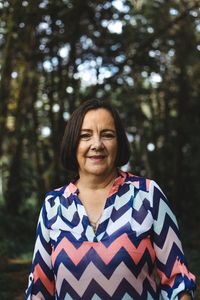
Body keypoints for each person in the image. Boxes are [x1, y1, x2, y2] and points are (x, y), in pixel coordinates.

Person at [26, 99, 196, 300]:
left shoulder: (147, 194)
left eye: (107, 135)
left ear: (119, 143)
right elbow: (39, 289)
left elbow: (177, 280)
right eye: (85, 136)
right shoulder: (53, 205)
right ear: (73, 143)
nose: (96, 144)